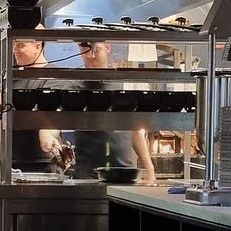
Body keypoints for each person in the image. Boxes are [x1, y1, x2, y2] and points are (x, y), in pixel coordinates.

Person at [39, 41, 157, 183]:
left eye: (96, 50)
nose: (91, 55)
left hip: (125, 172)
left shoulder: (123, 85)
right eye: (86, 50)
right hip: (87, 175)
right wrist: (47, 136)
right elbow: (54, 121)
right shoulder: (74, 87)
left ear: (108, 47)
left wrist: (149, 169)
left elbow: (135, 131)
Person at [0, 27, 57, 171]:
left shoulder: (53, 77)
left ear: (37, 47)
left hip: (42, 163)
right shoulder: (8, 76)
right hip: (10, 161)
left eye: (21, 45)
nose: (14, 50)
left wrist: (8, 103)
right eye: (13, 44)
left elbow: (47, 120)